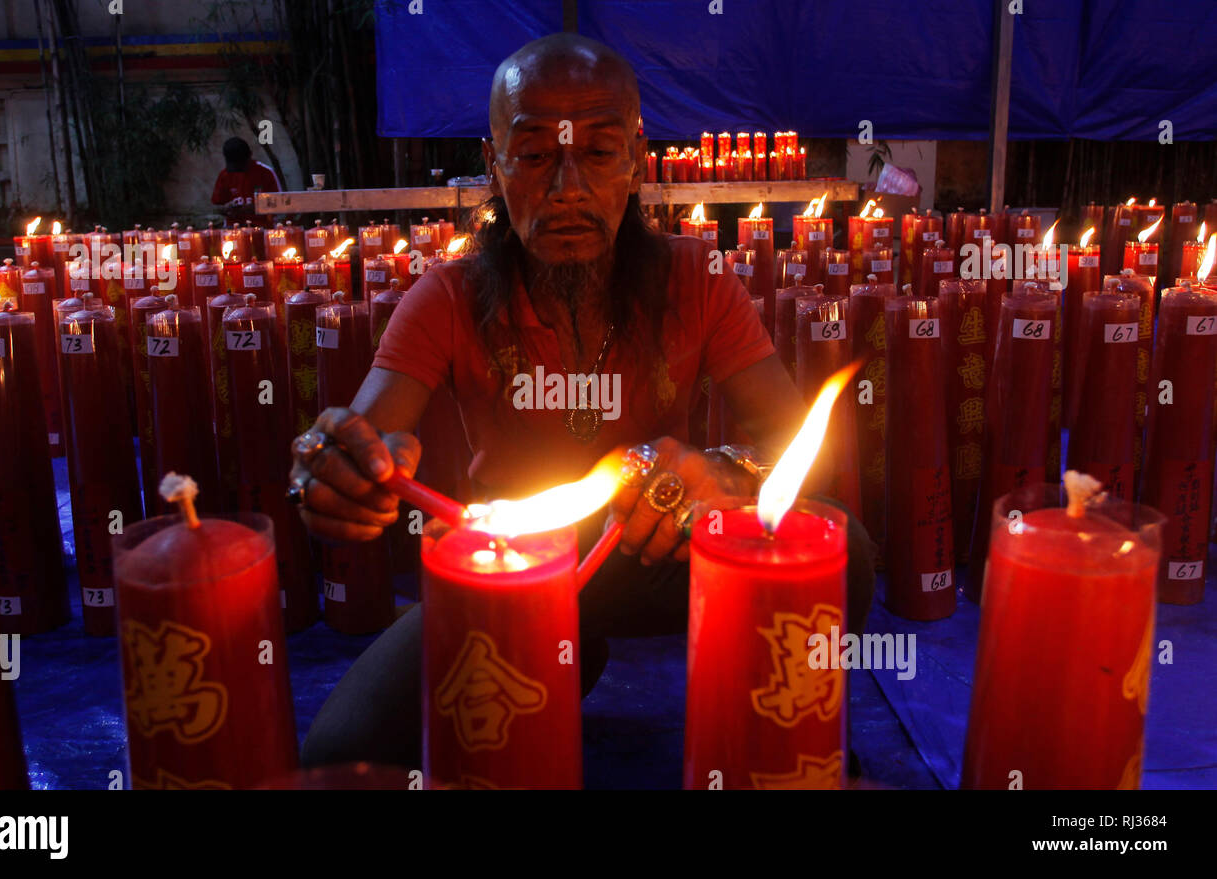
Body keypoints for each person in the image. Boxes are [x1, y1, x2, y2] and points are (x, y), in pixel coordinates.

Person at [290, 33, 875, 771]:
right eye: (534, 155)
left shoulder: (697, 281)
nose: (567, 187)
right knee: (339, 753)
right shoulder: (447, 297)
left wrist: (723, 476)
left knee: (839, 541)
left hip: (652, 548)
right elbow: (366, 430)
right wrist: (340, 465)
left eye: (598, 153)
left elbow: (798, 449)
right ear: (494, 163)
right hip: (513, 568)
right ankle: (566, 648)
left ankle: (784, 739)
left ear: (636, 158)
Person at [210, 136, 280, 226]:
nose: (238, 170)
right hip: (233, 229)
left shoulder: (265, 172)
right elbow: (215, 206)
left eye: (241, 166)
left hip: (262, 227)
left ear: (250, 155)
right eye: (234, 168)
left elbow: (279, 205)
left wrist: (254, 208)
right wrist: (225, 209)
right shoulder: (224, 175)